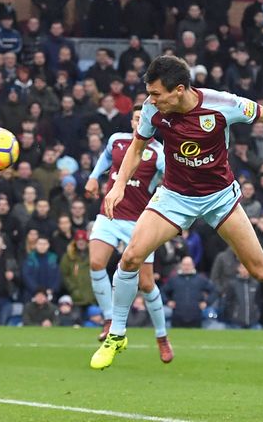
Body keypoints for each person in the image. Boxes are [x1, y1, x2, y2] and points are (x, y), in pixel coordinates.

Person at [101, 55, 263, 349]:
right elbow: (137, 149)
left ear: (178, 89)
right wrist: (118, 186)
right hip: (175, 197)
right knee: (131, 256)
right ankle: (117, 335)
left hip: (219, 197)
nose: (150, 100)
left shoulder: (221, 104)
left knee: (260, 271)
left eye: (156, 93)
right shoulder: (153, 109)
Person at [87, 105, 173, 368]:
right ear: (132, 121)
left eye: (142, 118)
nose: (138, 122)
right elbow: (104, 159)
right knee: (96, 263)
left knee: (146, 284)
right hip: (109, 215)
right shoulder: (117, 140)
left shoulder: (158, 153)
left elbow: (170, 177)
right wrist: (93, 177)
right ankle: (110, 319)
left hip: (139, 220)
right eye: (136, 118)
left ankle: (162, 336)